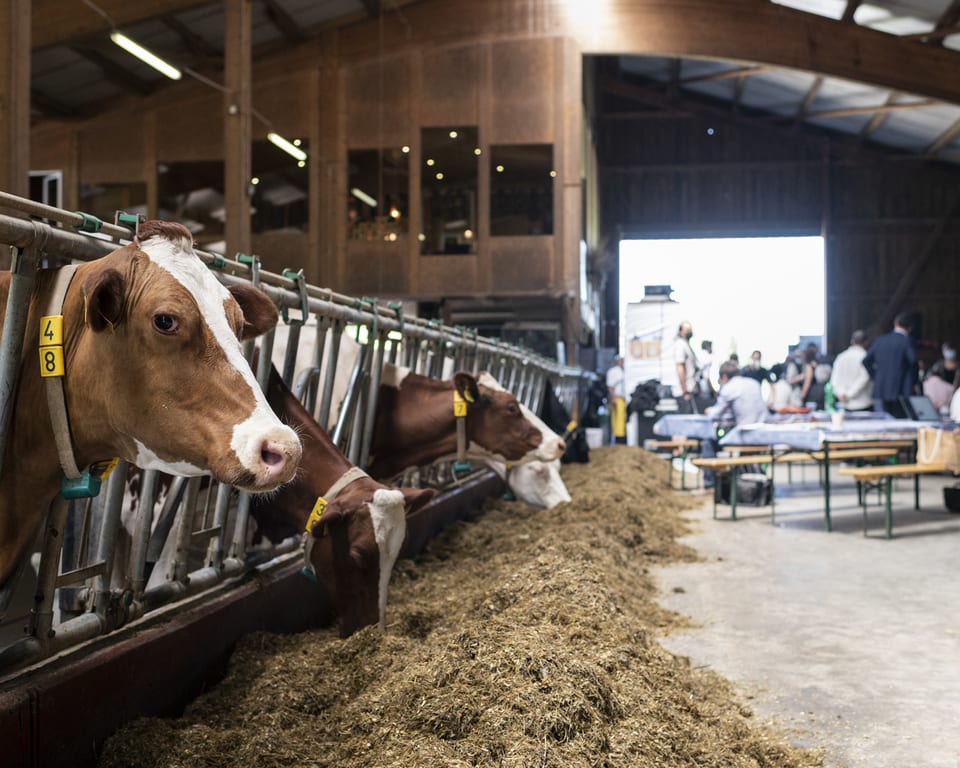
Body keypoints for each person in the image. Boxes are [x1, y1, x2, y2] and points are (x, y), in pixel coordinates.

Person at [698, 359, 771, 489]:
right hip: (764, 433)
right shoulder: (753, 383)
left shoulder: (728, 388)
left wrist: (709, 411)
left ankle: (710, 484)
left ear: (724, 377)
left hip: (747, 435)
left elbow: (715, 414)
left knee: (708, 442)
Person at [862, 312, 918, 413]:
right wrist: (913, 381)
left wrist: (875, 376)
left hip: (880, 389)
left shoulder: (880, 340)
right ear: (911, 328)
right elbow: (913, 361)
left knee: (881, 424)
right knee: (900, 424)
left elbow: (866, 361)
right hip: (900, 390)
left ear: (895, 323)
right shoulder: (907, 341)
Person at [829, 330, 873, 412]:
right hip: (862, 403)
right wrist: (848, 394)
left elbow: (834, 379)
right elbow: (864, 378)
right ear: (866, 342)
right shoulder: (866, 357)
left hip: (845, 403)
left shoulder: (841, 357)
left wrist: (841, 394)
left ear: (852, 341)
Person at [672, 321, 699, 414]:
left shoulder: (686, 345)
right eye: (687, 330)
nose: (689, 332)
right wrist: (685, 391)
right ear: (680, 331)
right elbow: (680, 368)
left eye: (690, 330)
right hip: (683, 392)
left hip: (689, 390)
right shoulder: (680, 345)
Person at [606, 354, 627, 445]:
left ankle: (620, 438)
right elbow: (610, 386)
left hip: (621, 399)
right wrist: (613, 398)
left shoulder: (622, 371)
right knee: (618, 419)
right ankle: (619, 440)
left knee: (621, 419)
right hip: (617, 398)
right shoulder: (613, 372)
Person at [696, 339, 716, 410]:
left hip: (696, 386)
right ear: (708, 347)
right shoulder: (707, 357)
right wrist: (713, 391)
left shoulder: (698, 355)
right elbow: (706, 377)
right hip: (704, 387)